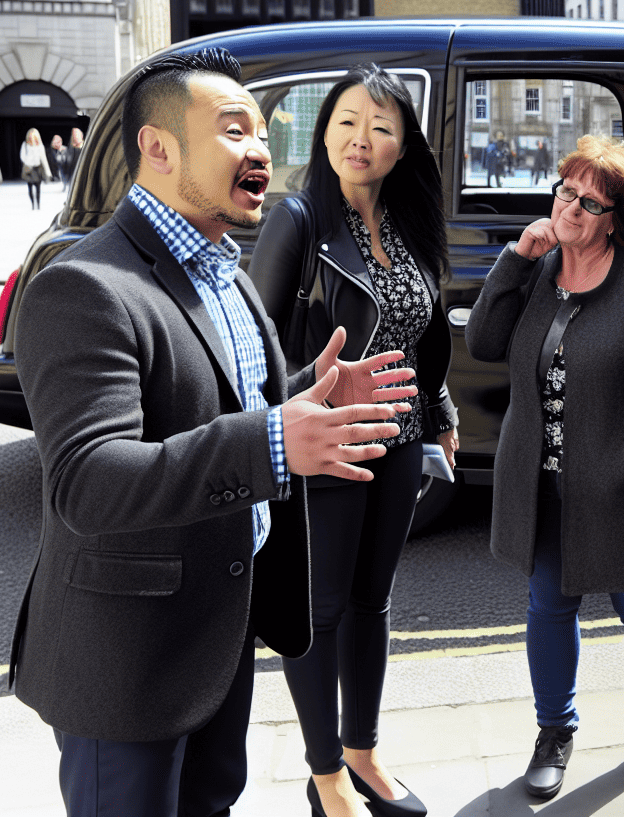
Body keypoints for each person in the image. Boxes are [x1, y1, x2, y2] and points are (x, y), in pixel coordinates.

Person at [9, 48, 416, 817]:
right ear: (158, 149)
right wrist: (272, 439)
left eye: (262, 132)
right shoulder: (84, 286)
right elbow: (88, 482)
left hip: (220, 628)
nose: (260, 149)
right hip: (128, 662)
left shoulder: (223, 269)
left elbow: (222, 405)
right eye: (234, 130)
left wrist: (309, 396)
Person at [465, 137, 624, 799]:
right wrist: (515, 260)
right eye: (564, 192)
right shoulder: (540, 270)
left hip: (619, 485)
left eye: (590, 201)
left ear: (616, 219)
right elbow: (484, 342)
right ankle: (554, 732)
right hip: (541, 485)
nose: (570, 208)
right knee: (549, 605)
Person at [249, 66, 460, 817]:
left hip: (397, 444)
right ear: (324, 130)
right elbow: (255, 354)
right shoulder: (298, 220)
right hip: (329, 444)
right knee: (323, 610)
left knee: (373, 603)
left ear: (403, 144)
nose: (359, 138)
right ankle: (324, 775)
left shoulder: (407, 220)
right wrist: (322, 381)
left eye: (378, 125)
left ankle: (364, 753)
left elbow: (418, 327)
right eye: (344, 120)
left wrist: (437, 407)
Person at [20, 128, 53, 210]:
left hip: (37, 169)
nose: (32, 138)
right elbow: (22, 157)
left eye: (34, 136)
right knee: (30, 188)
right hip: (29, 169)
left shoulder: (40, 146)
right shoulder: (25, 145)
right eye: (31, 136)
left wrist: (48, 172)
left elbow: (44, 159)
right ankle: (32, 204)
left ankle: (38, 205)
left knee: (38, 188)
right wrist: (30, 161)